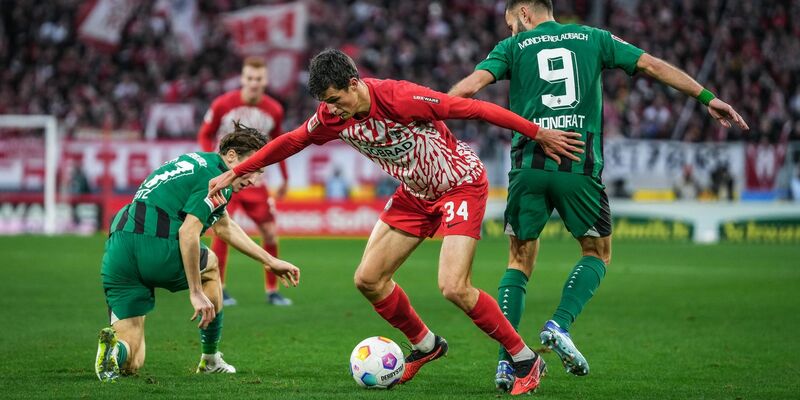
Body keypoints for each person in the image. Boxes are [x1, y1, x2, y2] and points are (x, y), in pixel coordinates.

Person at [209, 49, 583, 395]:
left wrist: (538, 133)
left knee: (454, 287)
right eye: (326, 104)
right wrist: (237, 172)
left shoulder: (400, 97)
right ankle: (426, 345)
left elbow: (473, 110)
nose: (332, 111)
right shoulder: (330, 117)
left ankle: (524, 358)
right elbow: (291, 141)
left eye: (336, 100)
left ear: (354, 84)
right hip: (415, 194)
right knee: (368, 279)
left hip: (459, 184)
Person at [448, 0, 749, 390]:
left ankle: (509, 361)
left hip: (529, 165)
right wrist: (708, 98)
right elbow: (652, 65)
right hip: (579, 164)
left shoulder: (512, 48)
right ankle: (559, 324)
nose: (511, 32)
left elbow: (470, 88)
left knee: (518, 261)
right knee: (597, 252)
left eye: (511, 24)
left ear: (523, 13)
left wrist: (432, 110)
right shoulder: (594, 38)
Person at [94, 124, 301, 382]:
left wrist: (269, 261)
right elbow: (188, 233)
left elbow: (224, 226)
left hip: (119, 248)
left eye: (260, 173)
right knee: (212, 265)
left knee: (133, 359)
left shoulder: (197, 162)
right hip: (156, 244)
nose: (253, 180)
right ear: (232, 156)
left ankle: (114, 351)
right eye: (254, 169)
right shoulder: (215, 178)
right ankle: (211, 359)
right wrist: (195, 292)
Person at [197, 56, 293, 306]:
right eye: (249, 78)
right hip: (226, 179)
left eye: (258, 78)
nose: (253, 83)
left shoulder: (274, 110)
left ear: (265, 80)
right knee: (222, 229)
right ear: (242, 78)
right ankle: (220, 286)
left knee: (270, 233)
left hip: (254, 181)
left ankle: (272, 290)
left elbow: (278, 144)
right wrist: (213, 165)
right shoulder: (222, 104)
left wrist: (284, 177)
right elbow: (205, 134)